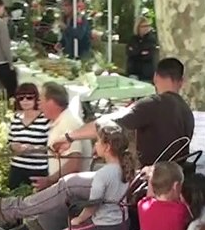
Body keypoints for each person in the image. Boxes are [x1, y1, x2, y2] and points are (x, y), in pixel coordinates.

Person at [0, 82, 88, 230]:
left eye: (41, 100)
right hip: (62, 188)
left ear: (51, 102)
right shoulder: (62, 122)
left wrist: (50, 180)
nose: (39, 104)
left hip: (68, 193)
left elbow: (74, 162)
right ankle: (5, 210)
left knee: (35, 214)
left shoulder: (68, 123)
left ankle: (4, 209)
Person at [55, 58, 195, 167]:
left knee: (69, 186)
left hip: (149, 183)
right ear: (181, 82)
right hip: (175, 181)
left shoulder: (153, 104)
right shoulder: (187, 112)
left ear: (155, 77)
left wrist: (69, 137)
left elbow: (106, 124)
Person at [41, 124, 134, 230]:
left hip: (106, 226)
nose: (95, 145)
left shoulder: (103, 174)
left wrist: (77, 220)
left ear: (107, 147)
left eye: (97, 142)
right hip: (122, 222)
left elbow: (92, 206)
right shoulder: (125, 168)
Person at [6, 82, 51, 192]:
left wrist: (33, 149)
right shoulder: (15, 119)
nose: (25, 101)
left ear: (36, 98)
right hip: (17, 169)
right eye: (21, 98)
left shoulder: (45, 120)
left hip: (37, 170)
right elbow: (9, 142)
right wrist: (13, 147)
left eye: (29, 97)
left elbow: (51, 146)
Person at [126, 17, 158, 82]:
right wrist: (140, 52)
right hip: (133, 71)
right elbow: (128, 52)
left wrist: (135, 52)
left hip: (146, 73)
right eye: (144, 26)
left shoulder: (151, 39)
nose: (146, 28)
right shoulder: (133, 39)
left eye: (148, 26)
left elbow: (148, 55)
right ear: (138, 27)